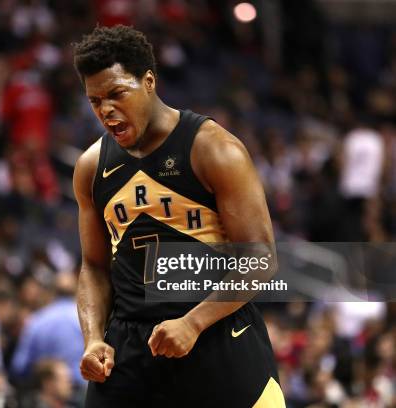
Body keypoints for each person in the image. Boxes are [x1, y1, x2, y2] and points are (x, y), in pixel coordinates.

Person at [72, 25, 286, 407]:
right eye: (95, 100)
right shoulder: (91, 167)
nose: (106, 110)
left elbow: (262, 258)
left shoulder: (213, 149)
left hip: (215, 334)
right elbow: (92, 266)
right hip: (129, 349)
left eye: (117, 94)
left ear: (149, 81)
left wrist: (194, 322)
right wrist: (93, 339)